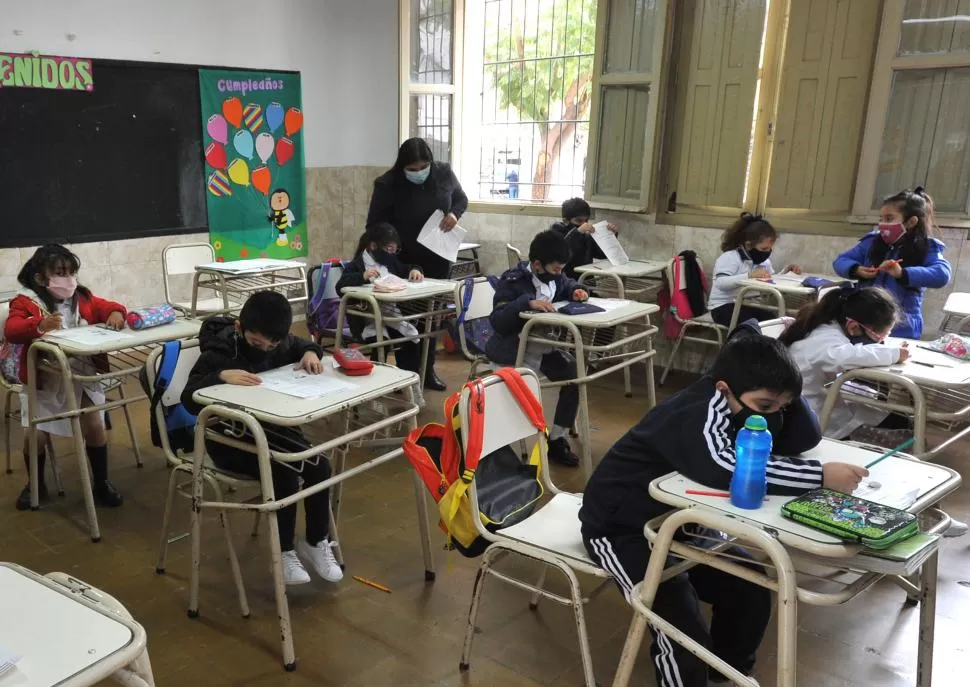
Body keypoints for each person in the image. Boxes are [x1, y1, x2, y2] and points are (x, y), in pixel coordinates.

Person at [580, 330, 868, 687]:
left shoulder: (738, 401)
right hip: (621, 529)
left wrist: (781, 405)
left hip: (682, 523)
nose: (773, 417)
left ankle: (724, 675)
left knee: (750, 590)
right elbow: (724, 467)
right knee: (680, 627)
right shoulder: (695, 409)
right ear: (723, 388)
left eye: (783, 407)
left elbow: (803, 438)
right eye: (765, 405)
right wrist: (819, 476)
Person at [181, 291, 342, 586]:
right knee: (283, 473)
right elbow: (188, 398)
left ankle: (316, 542)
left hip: (275, 432)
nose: (265, 349)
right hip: (229, 440)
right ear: (240, 327)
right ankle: (283, 552)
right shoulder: (219, 351)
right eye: (256, 343)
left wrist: (311, 353)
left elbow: (301, 343)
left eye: (273, 344)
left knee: (320, 466)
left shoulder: (279, 341)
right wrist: (220, 376)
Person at [3, 244, 127, 510]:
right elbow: (12, 330)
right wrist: (38, 325)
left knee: (94, 423)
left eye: (72, 273)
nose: (68, 279)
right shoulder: (26, 301)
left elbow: (107, 306)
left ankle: (101, 482)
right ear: (40, 277)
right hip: (43, 375)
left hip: (80, 371)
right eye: (60, 273)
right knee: (34, 431)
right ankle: (35, 484)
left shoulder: (81, 297)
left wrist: (116, 312)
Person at [366, 137, 469, 392]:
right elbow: (373, 226)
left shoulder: (443, 173)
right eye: (411, 169)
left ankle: (427, 370)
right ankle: (407, 375)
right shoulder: (387, 184)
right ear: (402, 167)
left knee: (431, 319)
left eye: (423, 167)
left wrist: (454, 214)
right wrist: (389, 248)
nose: (418, 173)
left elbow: (461, 199)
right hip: (402, 262)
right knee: (407, 320)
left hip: (438, 258)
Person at [487, 230, 588, 466]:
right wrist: (527, 303)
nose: (559, 273)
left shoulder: (556, 277)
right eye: (555, 268)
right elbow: (498, 320)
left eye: (562, 268)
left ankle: (558, 438)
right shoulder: (513, 281)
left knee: (574, 374)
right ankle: (499, 449)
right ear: (537, 265)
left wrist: (577, 291)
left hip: (541, 348)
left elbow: (566, 284)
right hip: (511, 350)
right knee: (519, 397)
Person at [780, 286, 909, 444]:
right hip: (806, 417)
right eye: (879, 337)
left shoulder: (824, 325)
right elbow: (850, 356)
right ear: (853, 327)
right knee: (902, 430)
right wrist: (894, 354)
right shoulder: (825, 341)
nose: (881, 342)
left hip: (820, 401)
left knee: (897, 420)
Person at [833, 187, 951, 338]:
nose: (882, 224)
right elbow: (841, 261)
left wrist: (902, 273)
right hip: (864, 319)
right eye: (881, 219)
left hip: (902, 325)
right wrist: (856, 269)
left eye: (889, 219)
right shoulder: (872, 242)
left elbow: (942, 275)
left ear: (911, 221)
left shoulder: (927, 247)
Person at [336, 223, 427, 407]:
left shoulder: (390, 263)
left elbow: (407, 267)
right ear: (373, 246)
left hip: (390, 317)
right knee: (380, 343)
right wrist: (362, 276)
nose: (392, 253)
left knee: (408, 340)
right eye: (389, 249)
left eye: (395, 249)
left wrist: (415, 270)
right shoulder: (357, 264)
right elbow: (341, 286)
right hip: (366, 320)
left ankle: (410, 384)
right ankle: (376, 390)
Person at [707, 212, 802, 327]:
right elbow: (721, 283)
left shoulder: (764, 261)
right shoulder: (730, 257)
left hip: (748, 305)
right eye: (764, 248)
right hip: (723, 307)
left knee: (775, 322)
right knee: (755, 325)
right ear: (748, 245)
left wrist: (786, 273)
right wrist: (749, 275)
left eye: (770, 248)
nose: (767, 252)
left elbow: (770, 282)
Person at [549, 197, 618, 280]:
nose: (584, 224)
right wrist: (577, 232)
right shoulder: (556, 233)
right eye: (579, 221)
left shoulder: (586, 236)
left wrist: (610, 236)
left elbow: (602, 254)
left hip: (585, 282)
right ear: (566, 221)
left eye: (586, 221)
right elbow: (561, 253)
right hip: (565, 283)